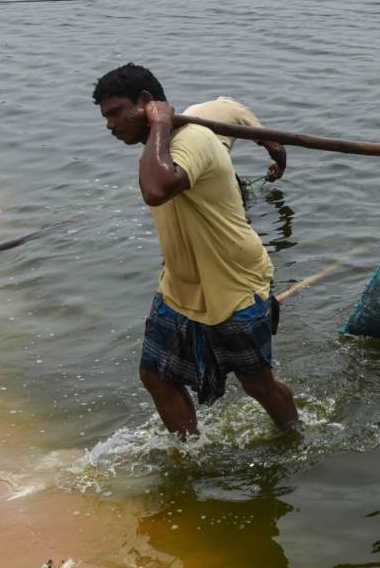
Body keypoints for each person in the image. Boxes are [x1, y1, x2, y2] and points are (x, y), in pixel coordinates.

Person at [92, 64, 299, 437]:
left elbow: (156, 190)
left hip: (233, 282)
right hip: (182, 283)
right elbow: (228, 108)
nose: (110, 125)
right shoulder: (186, 125)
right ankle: (190, 453)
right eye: (105, 116)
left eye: (115, 113)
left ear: (145, 102)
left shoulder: (194, 140)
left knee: (257, 385)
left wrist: (158, 126)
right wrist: (275, 151)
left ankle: (294, 437)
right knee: (155, 376)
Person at [181, 96, 287, 202]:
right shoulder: (238, 110)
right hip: (208, 158)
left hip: (180, 160)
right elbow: (276, 148)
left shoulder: (193, 109)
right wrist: (280, 167)